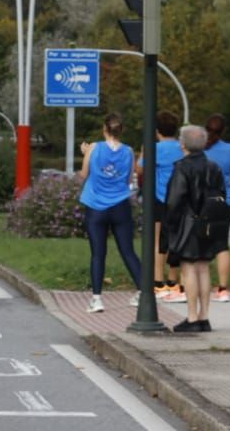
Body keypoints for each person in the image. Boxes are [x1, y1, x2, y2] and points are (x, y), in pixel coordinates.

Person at [165, 125, 230, 333]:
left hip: (188, 223)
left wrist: (170, 225)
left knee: (189, 268)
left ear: (182, 144)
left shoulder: (182, 168)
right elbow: (221, 196)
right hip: (209, 222)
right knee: (203, 267)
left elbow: (175, 200)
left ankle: (192, 318)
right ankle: (204, 317)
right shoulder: (214, 167)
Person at [77, 113, 142, 313]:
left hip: (96, 207)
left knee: (98, 254)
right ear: (121, 131)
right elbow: (127, 179)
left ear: (104, 129)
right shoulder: (129, 151)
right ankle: (143, 292)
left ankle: (97, 299)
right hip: (120, 206)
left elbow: (83, 175)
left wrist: (85, 153)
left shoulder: (94, 148)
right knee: (128, 251)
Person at [137, 111, 185, 304]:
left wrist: (143, 150)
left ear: (156, 131)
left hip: (160, 199)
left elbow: (139, 169)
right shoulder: (183, 148)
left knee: (159, 241)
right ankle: (174, 281)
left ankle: (158, 282)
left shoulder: (154, 149)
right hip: (181, 199)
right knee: (178, 239)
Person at [203, 113, 230, 303]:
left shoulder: (200, 149)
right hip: (225, 201)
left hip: (202, 203)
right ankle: (223, 289)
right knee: (222, 245)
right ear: (223, 130)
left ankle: (201, 287)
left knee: (200, 245)